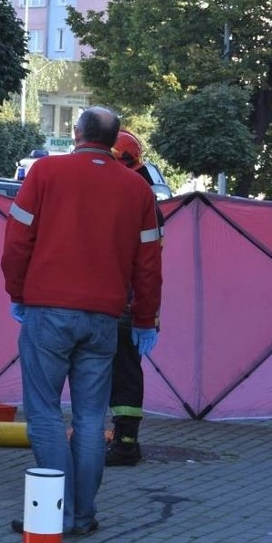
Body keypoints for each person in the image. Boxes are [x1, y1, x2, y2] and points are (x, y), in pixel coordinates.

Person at [0, 107, 162, 536]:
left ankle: (57, 514)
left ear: (76, 133)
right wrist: (145, 319)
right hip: (105, 318)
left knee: (45, 413)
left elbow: (17, 242)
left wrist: (17, 293)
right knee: (91, 418)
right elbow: (149, 264)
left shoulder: (45, 174)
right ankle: (83, 514)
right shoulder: (137, 190)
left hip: (47, 311)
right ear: (114, 140)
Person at [106, 130, 166, 466]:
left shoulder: (136, 201)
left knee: (124, 373)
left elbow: (147, 266)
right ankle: (122, 438)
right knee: (119, 372)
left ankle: (126, 443)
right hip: (123, 303)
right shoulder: (140, 198)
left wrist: (146, 316)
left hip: (123, 305)